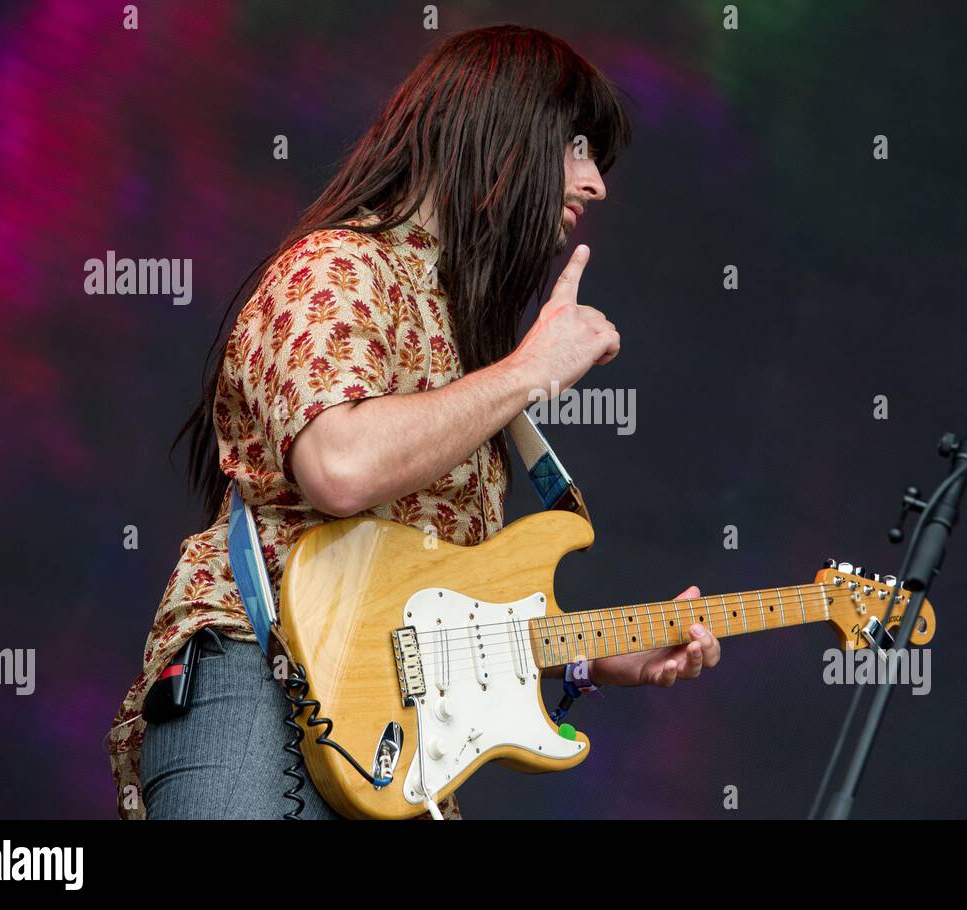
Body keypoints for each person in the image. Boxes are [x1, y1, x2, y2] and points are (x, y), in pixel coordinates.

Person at [107, 23, 721, 821]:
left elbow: (427, 611)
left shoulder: (467, 345)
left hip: (396, 759)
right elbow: (341, 468)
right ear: (499, 132)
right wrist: (531, 370)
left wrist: (586, 657)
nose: (596, 183)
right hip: (264, 686)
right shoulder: (338, 268)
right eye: (575, 146)